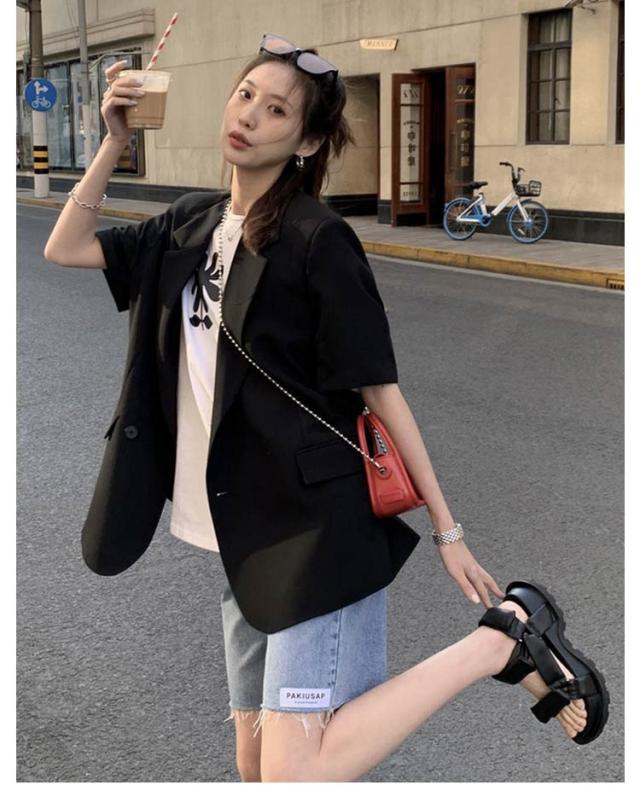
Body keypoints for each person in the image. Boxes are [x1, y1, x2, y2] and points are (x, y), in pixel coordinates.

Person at [44, 33, 608, 782]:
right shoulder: (189, 222)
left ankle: (500, 641)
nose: (250, 115)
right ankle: (502, 642)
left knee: (296, 775)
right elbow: (67, 246)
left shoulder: (319, 240)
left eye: (277, 110)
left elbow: (380, 390)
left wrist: (447, 530)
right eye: (246, 94)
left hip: (317, 530)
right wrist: (115, 142)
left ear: (306, 142)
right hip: (246, 536)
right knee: (255, 769)